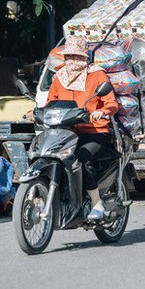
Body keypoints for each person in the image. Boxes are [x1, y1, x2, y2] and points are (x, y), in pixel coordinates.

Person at [47, 37, 119, 221]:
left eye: (77, 57)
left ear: (85, 58)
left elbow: (111, 104)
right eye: (69, 56)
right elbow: (51, 102)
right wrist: (36, 112)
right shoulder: (59, 76)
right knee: (50, 156)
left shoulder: (97, 75)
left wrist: (101, 112)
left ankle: (97, 204)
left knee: (78, 160)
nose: (73, 61)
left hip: (94, 132)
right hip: (66, 131)